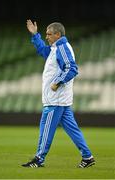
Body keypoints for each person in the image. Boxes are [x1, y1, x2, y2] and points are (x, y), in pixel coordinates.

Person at [22, 19, 95, 168]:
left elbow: (71, 68)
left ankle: (39, 159)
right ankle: (87, 157)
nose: (47, 37)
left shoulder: (62, 48)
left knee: (46, 128)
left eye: (49, 34)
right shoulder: (56, 48)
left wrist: (57, 82)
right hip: (60, 100)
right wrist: (36, 35)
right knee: (73, 130)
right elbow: (42, 50)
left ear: (58, 34)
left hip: (55, 100)